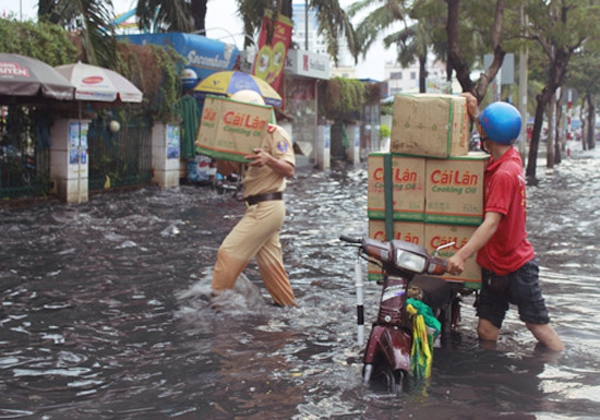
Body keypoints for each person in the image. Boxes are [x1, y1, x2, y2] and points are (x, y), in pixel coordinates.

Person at [447, 93, 564, 351]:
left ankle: (557, 359)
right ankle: (492, 381)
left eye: (482, 130)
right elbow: (491, 130)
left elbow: (491, 224)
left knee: (538, 326)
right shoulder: (509, 157)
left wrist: (461, 256)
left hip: (516, 267)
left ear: (489, 135)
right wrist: (477, 114)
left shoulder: (504, 174)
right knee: (486, 330)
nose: (479, 134)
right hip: (494, 265)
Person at [211, 89, 297, 307]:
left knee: (227, 252)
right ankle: (290, 309)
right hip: (256, 207)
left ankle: (217, 306)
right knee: (271, 268)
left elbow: (289, 170)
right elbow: (225, 171)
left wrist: (268, 159)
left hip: (268, 206)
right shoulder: (239, 139)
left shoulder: (275, 133)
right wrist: (219, 150)